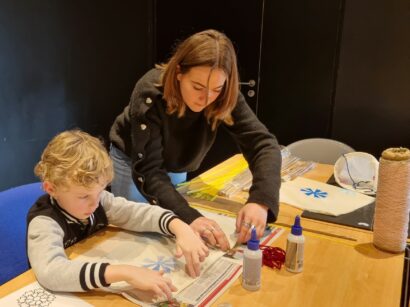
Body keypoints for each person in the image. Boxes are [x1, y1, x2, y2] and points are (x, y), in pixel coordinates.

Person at [109, 29, 282, 248]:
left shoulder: (224, 94)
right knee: (138, 236)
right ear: (179, 72)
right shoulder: (150, 92)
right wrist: (190, 217)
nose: (207, 98)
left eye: (216, 89)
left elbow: (263, 144)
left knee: (177, 234)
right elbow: (149, 172)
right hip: (134, 160)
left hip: (176, 160)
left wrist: (261, 200)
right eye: (197, 87)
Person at [27, 130, 209, 302]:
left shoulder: (99, 200)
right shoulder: (44, 222)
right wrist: (126, 272)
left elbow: (136, 213)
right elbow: (51, 272)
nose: (95, 203)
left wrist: (180, 227)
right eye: (83, 196)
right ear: (51, 189)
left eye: (100, 192)